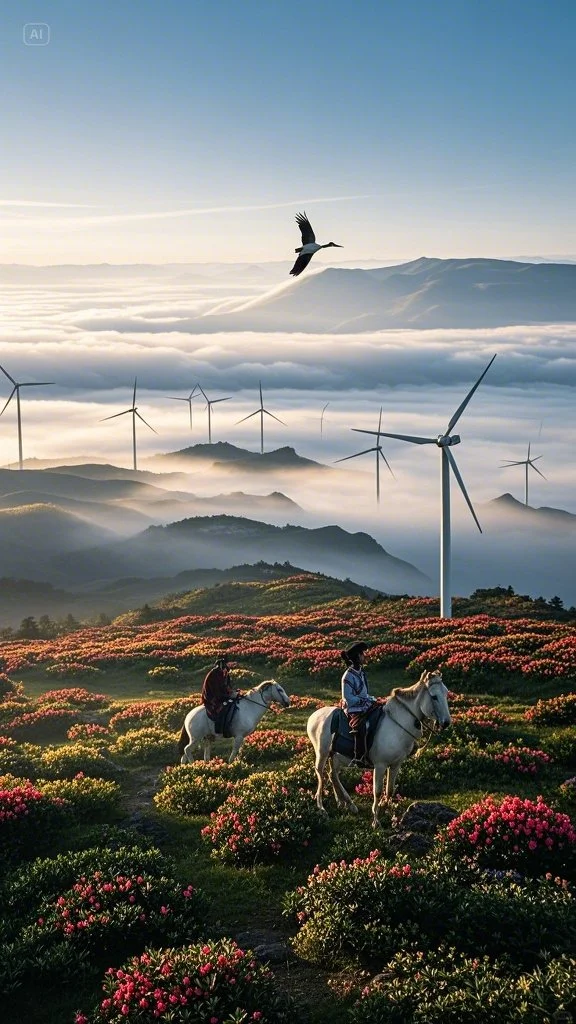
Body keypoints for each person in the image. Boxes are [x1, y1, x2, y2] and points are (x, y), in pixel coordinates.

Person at [340, 641, 377, 762]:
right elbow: (348, 699)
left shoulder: (361, 672)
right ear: (357, 657)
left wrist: (371, 699)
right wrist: (365, 700)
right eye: (362, 654)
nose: (365, 656)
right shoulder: (348, 676)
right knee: (361, 726)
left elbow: (364, 694)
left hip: (364, 705)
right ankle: (359, 756)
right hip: (353, 708)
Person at [201, 655, 238, 731]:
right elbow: (216, 691)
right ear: (223, 663)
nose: (232, 665)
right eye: (229, 663)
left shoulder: (225, 672)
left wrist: (233, 692)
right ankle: (219, 729)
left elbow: (227, 686)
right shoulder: (214, 674)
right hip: (212, 698)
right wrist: (228, 696)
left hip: (221, 695)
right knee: (222, 708)